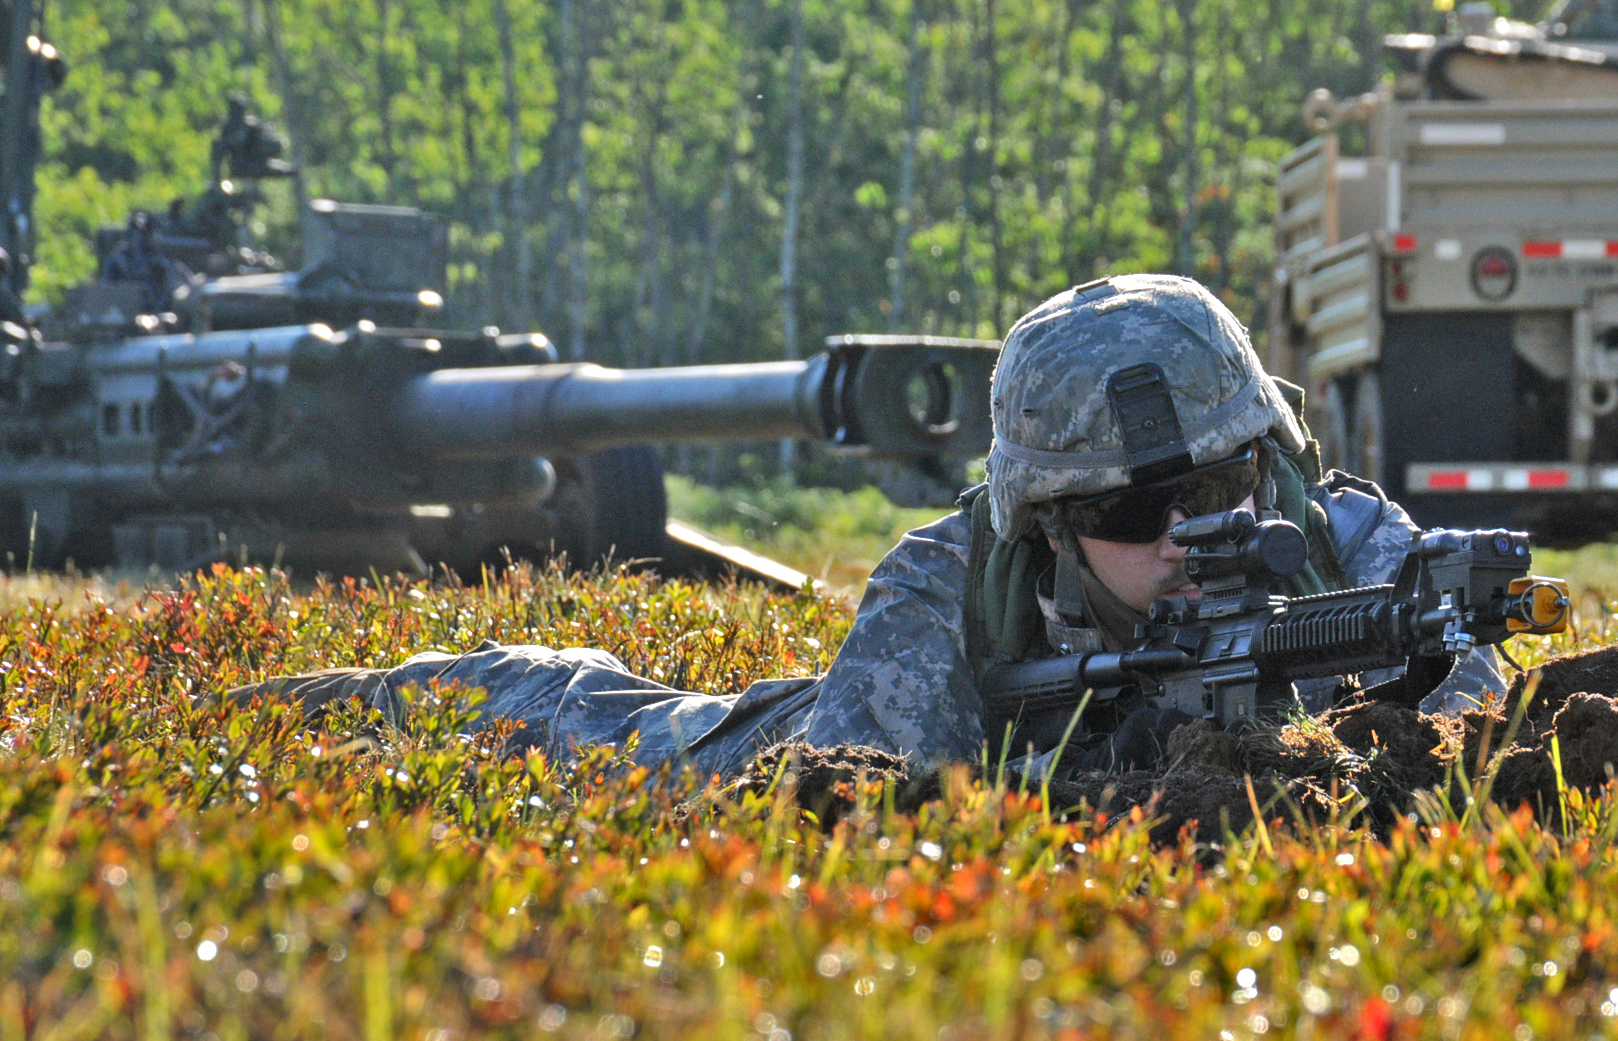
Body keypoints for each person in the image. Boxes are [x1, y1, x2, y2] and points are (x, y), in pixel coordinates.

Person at [232, 275, 1507, 777]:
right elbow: (847, 808)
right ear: (1047, 526)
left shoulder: (1365, 555)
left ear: (1267, 466)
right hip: (788, 735)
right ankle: (342, 695)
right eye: (1125, 508)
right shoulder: (943, 594)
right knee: (596, 723)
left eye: (1216, 494)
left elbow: (1476, 727)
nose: (1185, 535)